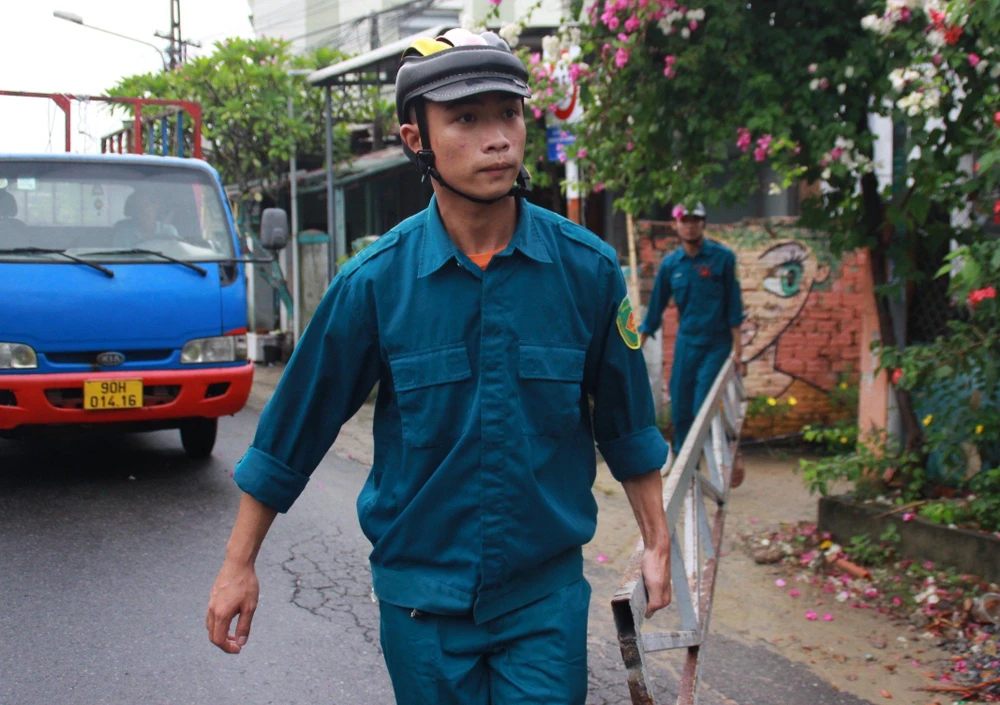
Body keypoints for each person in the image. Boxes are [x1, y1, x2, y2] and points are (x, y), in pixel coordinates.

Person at [205, 28, 671, 705]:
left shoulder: (587, 271)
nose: (498, 138)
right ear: (414, 136)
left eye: (508, 112)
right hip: (422, 606)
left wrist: (657, 543)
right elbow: (292, 430)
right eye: (466, 117)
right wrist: (237, 563)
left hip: (543, 603)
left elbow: (629, 427)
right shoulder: (374, 283)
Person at [638, 202, 745, 477]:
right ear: (676, 225)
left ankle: (719, 458)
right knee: (681, 406)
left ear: (703, 223)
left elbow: (734, 307)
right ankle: (687, 464)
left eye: (696, 220)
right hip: (687, 344)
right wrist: (636, 347)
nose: (690, 225)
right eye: (685, 220)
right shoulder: (671, 265)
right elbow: (655, 311)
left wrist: (739, 352)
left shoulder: (723, 258)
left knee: (702, 406)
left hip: (717, 343)